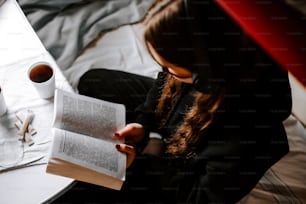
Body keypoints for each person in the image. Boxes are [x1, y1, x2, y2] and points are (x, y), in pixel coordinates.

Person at [52, 0, 292, 203]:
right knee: (94, 81)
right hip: (190, 112)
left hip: (192, 175)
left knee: (87, 188)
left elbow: (196, 197)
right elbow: (165, 84)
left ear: (203, 73)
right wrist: (144, 124)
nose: (165, 72)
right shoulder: (210, 44)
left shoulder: (244, 140)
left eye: (172, 69)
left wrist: (142, 164)